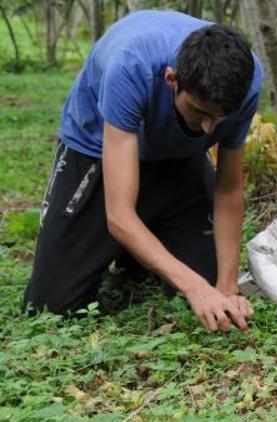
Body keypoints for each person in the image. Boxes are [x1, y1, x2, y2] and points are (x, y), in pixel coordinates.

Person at [23, 10, 263, 333]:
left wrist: (226, 287)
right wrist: (195, 288)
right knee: (50, 306)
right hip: (97, 145)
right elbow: (119, 214)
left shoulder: (245, 82)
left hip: (176, 152)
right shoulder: (130, 67)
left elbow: (229, 189)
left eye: (219, 118)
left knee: (210, 283)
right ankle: (122, 246)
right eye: (199, 111)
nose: (209, 128)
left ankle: (137, 253)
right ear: (171, 79)